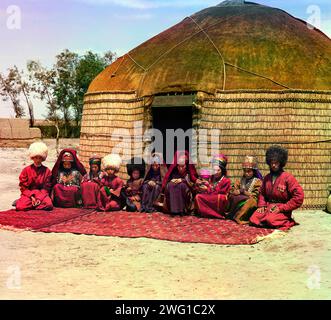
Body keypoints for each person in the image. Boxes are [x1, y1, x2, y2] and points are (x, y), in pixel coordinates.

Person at [250, 145, 304, 230]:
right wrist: (261, 205)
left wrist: (283, 208)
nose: (274, 165)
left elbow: (299, 196)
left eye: (276, 163)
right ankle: (269, 219)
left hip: (282, 208)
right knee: (253, 219)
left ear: (281, 163)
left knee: (270, 220)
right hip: (268, 206)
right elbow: (262, 193)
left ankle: (287, 220)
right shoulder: (267, 178)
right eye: (272, 163)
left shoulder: (288, 177)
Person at [16, 141, 53, 211]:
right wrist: (32, 197)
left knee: (49, 205)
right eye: (36, 158)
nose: (38, 160)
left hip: (41, 194)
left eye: (40, 158)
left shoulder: (47, 171)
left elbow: (46, 188)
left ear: (43, 158)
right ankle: (26, 202)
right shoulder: (26, 170)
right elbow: (23, 188)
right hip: (29, 194)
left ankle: (32, 205)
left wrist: (39, 199)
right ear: (32, 157)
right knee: (20, 207)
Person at [226, 156, 263, 224]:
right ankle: (232, 214)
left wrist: (242, 191)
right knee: (230, 196)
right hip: (240, 199)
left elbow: (255, 195)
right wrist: (235, 191)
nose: (246, 173)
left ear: (253, 171)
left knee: (251, 201)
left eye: (249, 171)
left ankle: (239, 217)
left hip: (251, 201)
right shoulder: (241, 180)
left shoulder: (258, 182)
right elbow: (233, 189)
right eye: (245, 171)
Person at [194, 154, 231, 219]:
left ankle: (217, 214)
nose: (216, 172)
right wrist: (203, 186)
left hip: (218, 200)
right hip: (211, 196)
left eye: (218, 170)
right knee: (198, 197)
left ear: (222, 170)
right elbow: (210, 188)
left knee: (221, 197)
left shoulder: (226, 180)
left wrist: (208, 188)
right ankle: (206, 213)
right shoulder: (212, 177)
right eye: (214, 170)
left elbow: (220, 193)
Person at [162, 150, 198, 215]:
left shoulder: (189, 172)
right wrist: (171, 181)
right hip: (173, 187)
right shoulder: (174, 171)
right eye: (179, 166)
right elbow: (166, 182)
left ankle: (182, 210)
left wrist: (183, 180)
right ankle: (174, 210)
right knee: (171, 185)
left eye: (183, 166)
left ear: (186, 165)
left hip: (187, 194)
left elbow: (193, 185)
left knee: (181, 185)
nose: (181, 168)